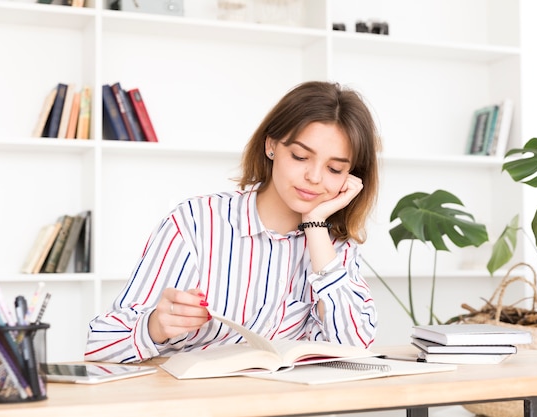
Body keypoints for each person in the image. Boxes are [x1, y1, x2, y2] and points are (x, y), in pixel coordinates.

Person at [85, 80, 382, 363]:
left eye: (334, 168)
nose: (315, 178)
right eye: (300, 156)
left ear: (350, 177)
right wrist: (155, 327)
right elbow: (99, 344)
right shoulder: (195, 223)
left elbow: (354, 346)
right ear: (271, 146)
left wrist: (316, 225)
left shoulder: (333, 247)